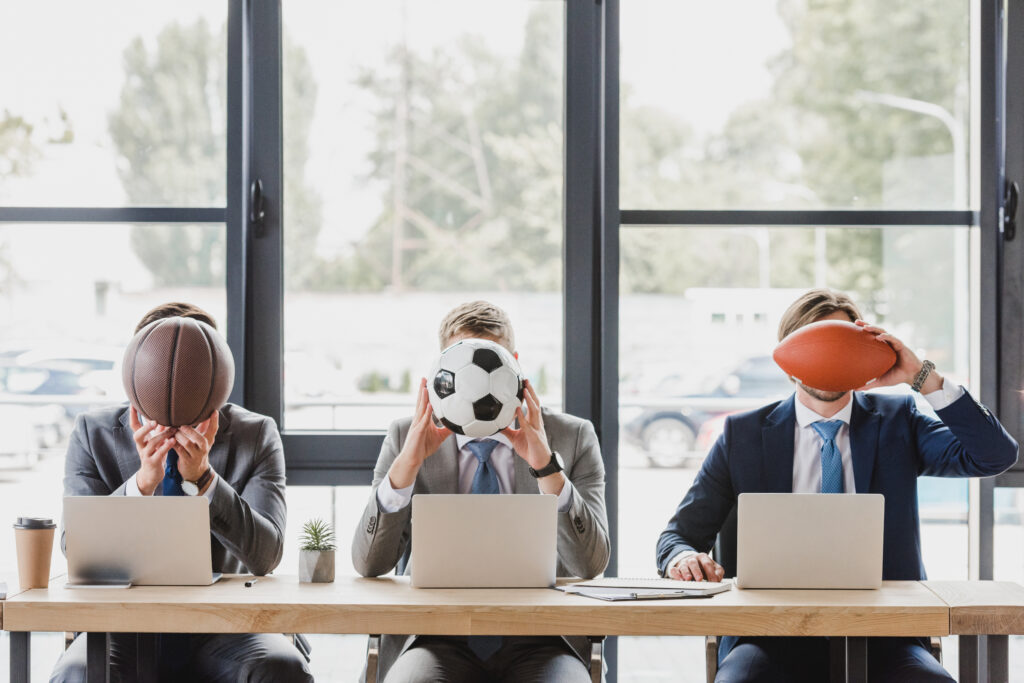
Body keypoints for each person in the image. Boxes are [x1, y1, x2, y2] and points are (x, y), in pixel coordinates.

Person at [656, 288, 1018, 683]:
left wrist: (922, 377)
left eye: (840, 344)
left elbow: (994, 455)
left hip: (886, 633)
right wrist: (683, 559)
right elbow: (677, 537)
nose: (827, 357)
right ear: (787, 359)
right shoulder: (742, 434)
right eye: (813, 343)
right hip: (767, 636)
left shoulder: (900, 420)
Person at [51, 302, 313, 683]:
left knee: (280, 668)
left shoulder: (254, 434)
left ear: (214, 373)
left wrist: (204, 479)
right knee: (78, 674)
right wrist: (142, 484)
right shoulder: (94, 434)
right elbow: (74, 548)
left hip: (226, 623)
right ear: (138, 371)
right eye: (159, 366)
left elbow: (266, 555)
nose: (172, 379)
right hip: (122, 622)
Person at [352, 300, 610, 683]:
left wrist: (546, 467)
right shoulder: (406, 436)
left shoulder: (571, 437)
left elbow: (591, 565)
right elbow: (368, 564)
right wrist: (406, 466)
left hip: (543, 638)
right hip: (433, 637)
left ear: (516, 369)